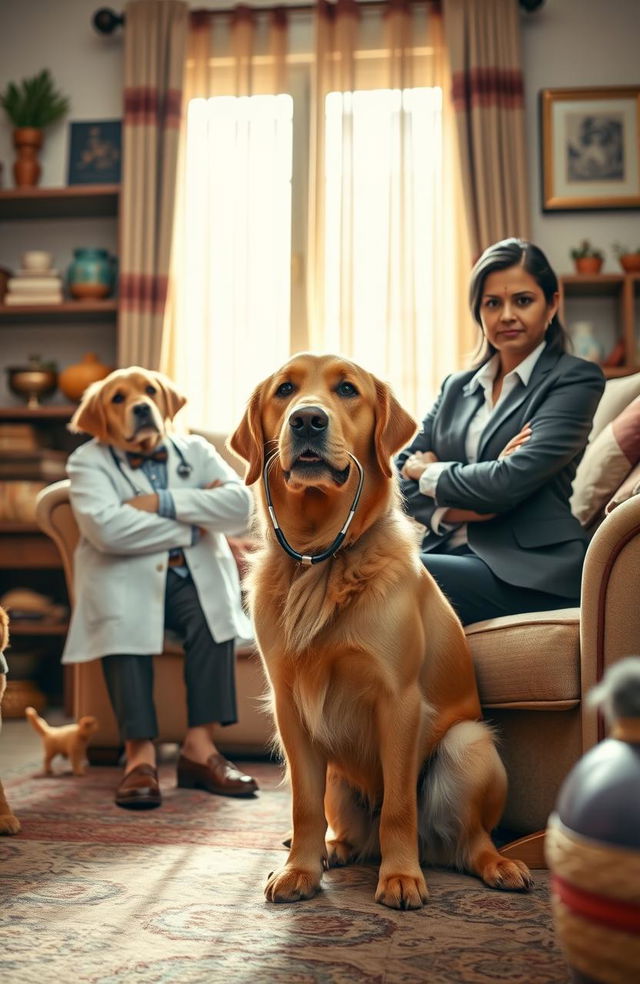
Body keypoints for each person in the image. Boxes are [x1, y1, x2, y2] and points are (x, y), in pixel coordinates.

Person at [63, 367, 259, 809]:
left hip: (193, 575)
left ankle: (199, 751)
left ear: (166, 404)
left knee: (213, 619)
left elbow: (241, 508)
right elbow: (107, 531)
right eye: (121, 399)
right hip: (124, 577)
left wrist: (161, 503)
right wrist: (195, 527)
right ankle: (139, 758)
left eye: (149, 393)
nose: (140, 403)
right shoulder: (86, 461)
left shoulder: (196, 450)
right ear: (101, 419)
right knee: (126, 624)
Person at [396, 237, 605, 626]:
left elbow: (506, 484)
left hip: (530, 571)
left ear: (552, 304)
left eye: (522, 300)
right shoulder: (456, 387)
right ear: (479, 311)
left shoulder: (574, 380)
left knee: (385, 574)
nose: (507, 315)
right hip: (450, 553)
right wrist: (473, 506)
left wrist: (426, 472)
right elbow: (396, 478)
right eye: (493, 303)